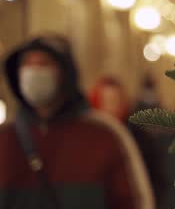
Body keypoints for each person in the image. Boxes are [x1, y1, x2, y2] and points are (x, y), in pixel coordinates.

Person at [0, 35, 154, 209]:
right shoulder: (5, 136)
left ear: (64, 73)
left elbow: (133, 201)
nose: (34, 72)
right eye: (27, 65)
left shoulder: (104, 134)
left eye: (43, 64)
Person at [88, 75, 168, 208]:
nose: (113, 106)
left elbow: (154, 178)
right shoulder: (89, 138)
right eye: (108, 101)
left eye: (117, 100)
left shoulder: (139, 138)